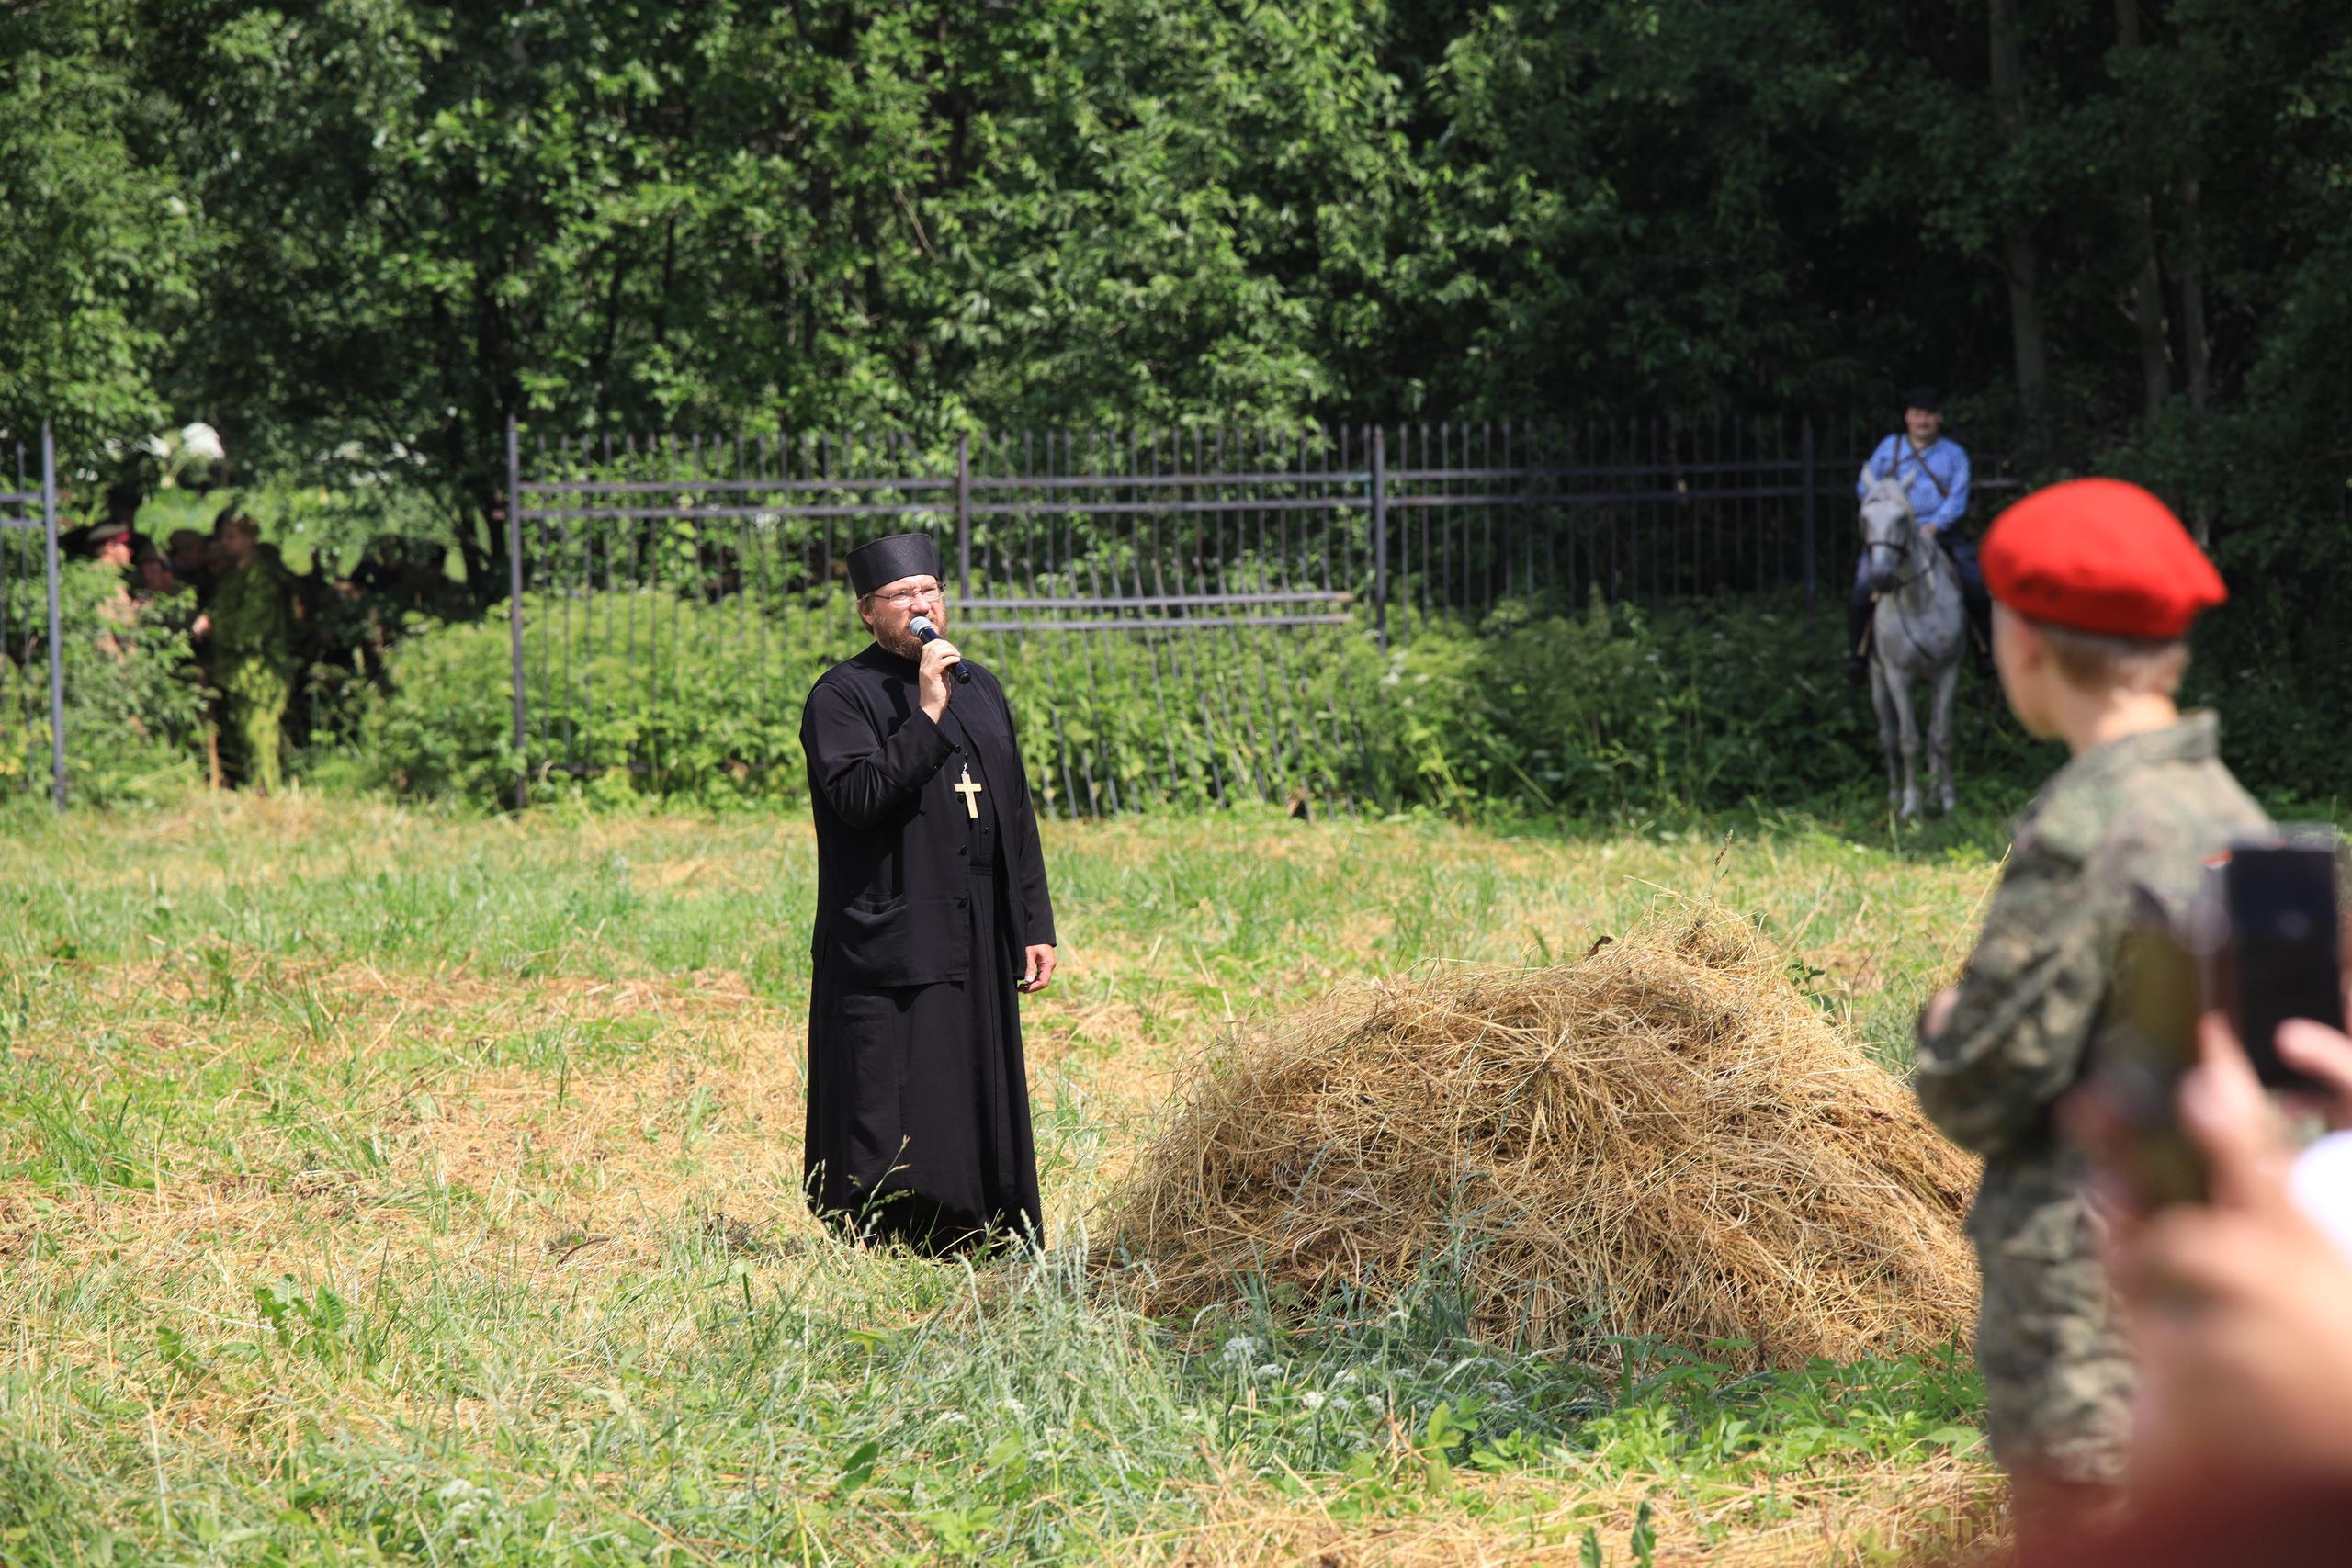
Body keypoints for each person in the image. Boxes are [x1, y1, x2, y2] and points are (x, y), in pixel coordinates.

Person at [1910, 478, 2269, 1538]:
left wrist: (1942, 1034)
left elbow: (1982, 1087)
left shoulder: (2088, 829)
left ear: (2020, 642)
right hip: (2224, 1287)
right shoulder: (2229, 814)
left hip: (2092, 1311)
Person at [798, 533, 1057, 1254]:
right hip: (896, 913)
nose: (922, 606)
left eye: (930, 590)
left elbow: (1014, 809)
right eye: (903, 596)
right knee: (902, 1073)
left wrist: (1033, 920)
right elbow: (859, 797)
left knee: (976, 1067)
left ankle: (987, 1219)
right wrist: (929, 709)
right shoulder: (840, 696)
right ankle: (894, 1227)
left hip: (976, 916)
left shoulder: (982, 686)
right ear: (868, 614)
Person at [1849, 386, 1987, 681]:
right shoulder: (1889, 448)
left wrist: (1935, 525)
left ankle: (1984, 651)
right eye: (1916, 415)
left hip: (1938, 532)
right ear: (1907, 418)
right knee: (1863, 585)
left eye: (1928, 416)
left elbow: (1958, 497)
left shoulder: (1954, 454)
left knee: (1974, 581)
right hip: (1892, 535)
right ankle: (1858, 656)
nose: (1922, 421)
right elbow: (1866, 487)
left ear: (1938, 418)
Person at [192, 513, 297, 794]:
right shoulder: (232, 575)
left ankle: (267, 793)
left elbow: (250, 631)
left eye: (232, 537)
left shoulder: (260, 577)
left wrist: (214, 628)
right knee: (239, 737)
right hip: (233, 672)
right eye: (223, 537)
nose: (225, 544)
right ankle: (252, 791)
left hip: (259, 674)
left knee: (259, 735)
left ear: (250, 539)